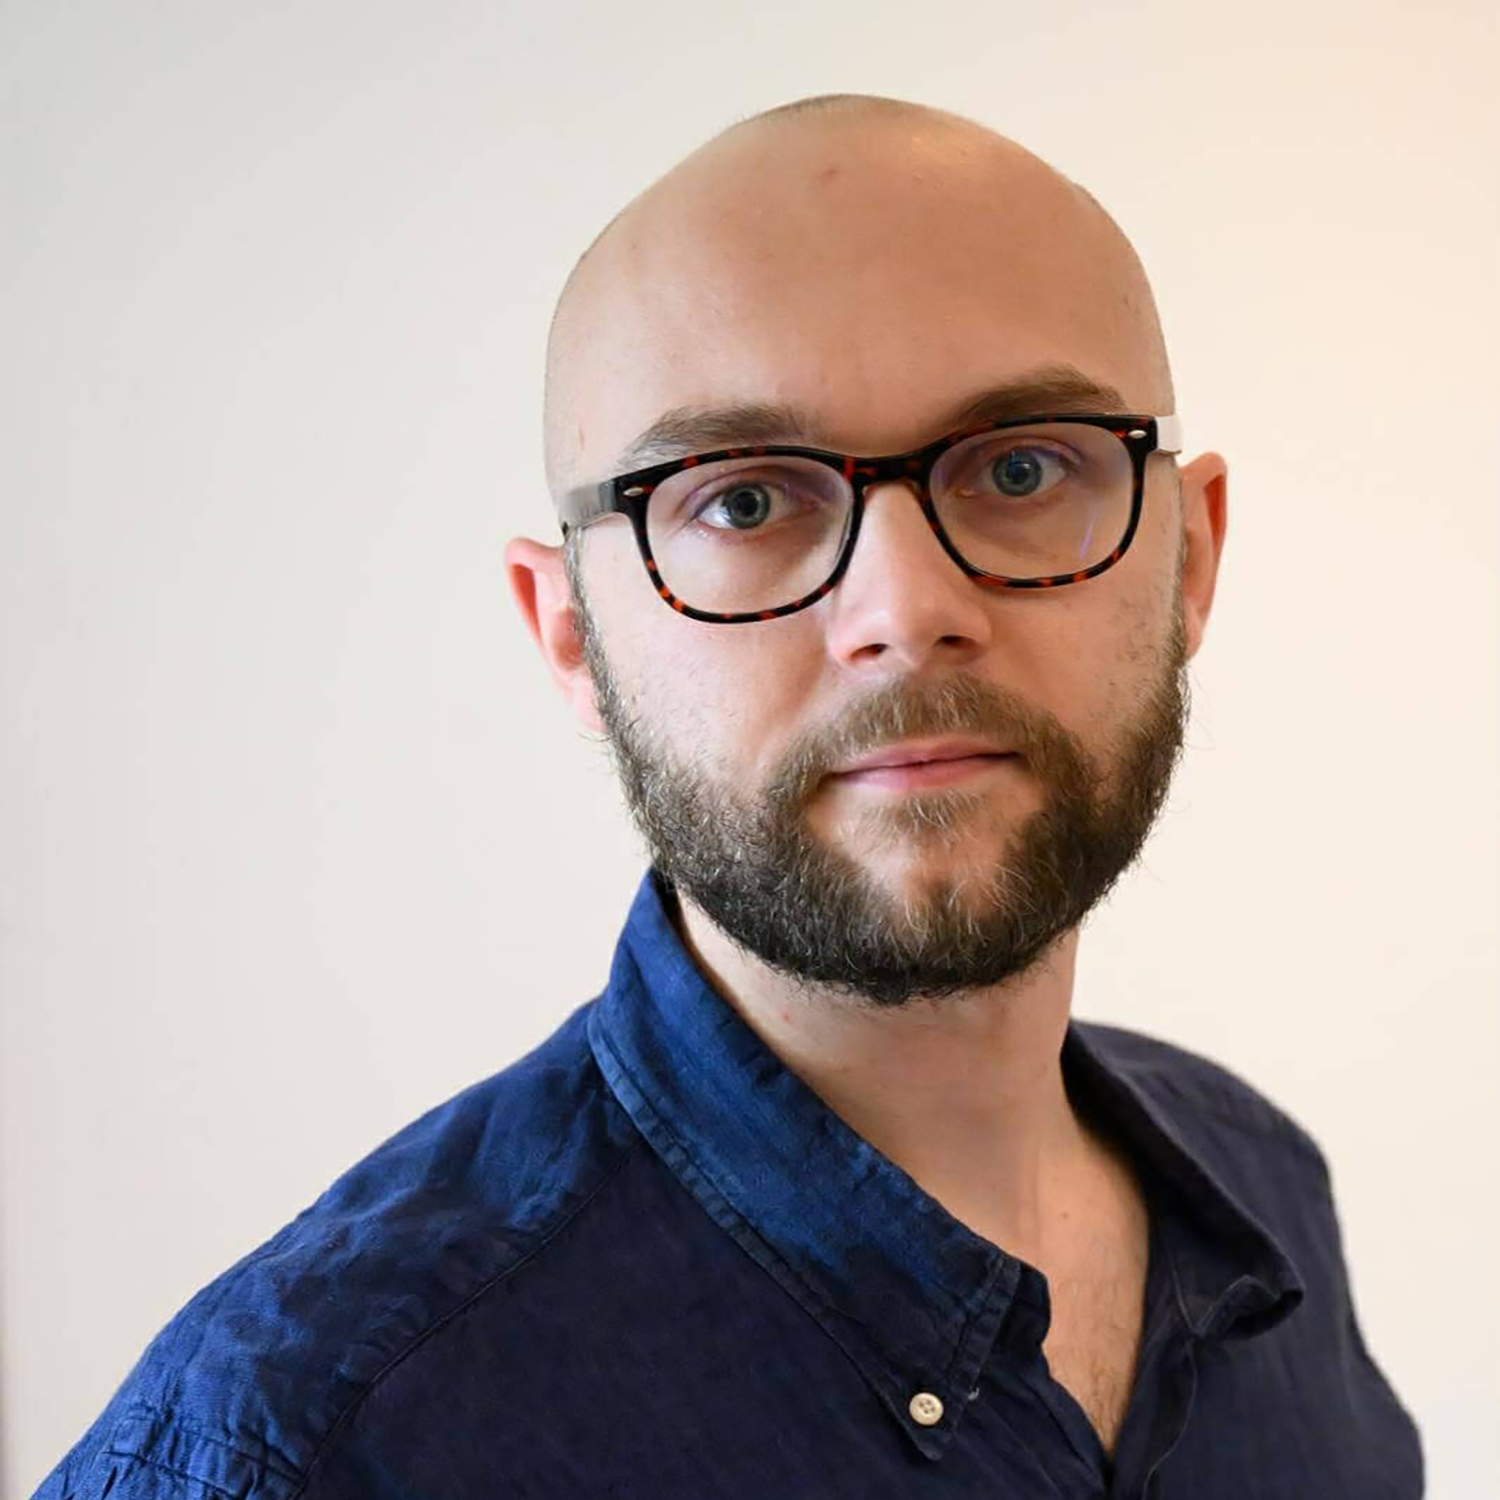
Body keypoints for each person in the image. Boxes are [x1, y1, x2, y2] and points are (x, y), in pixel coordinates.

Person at [32, 93, 1422, 1500]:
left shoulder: (1264, 1191)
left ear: (1190, 561)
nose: (905, 610)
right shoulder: (303, 1444)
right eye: (744, 500)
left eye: (1021, 467)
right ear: (572, 637)